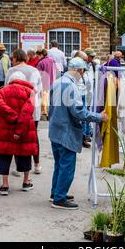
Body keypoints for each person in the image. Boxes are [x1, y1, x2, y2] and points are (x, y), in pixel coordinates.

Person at [49, 58, 109, 209]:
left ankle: (56, 193)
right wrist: (98, 117)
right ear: (79, 70)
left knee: (60, 164)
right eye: (82, 72)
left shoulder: (58, 81)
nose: (82, 75)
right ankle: (59, 198)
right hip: (66, 131)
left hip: (55, 129)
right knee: (67, 165)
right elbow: (78, 112)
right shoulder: (70, 86)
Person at [0, 71, 37, 195]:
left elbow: (0, 105)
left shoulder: (2, 91)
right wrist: (19, 126)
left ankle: (5, 185)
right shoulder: (30, 92)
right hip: (24, 128)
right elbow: (26, 112)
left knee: (3, 153)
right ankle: (26, 182)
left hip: (4, 127)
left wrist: (12, 116)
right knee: (25, 152)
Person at [5, 50, 43, 175]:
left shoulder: (11, 71)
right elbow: (40, 90)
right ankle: (37, 165)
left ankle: (18, 167)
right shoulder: (34, 71)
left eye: (12, 58)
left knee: (16, 136)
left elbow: (6, 90)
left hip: (15, 109)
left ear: (16, 58)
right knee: (33, 137)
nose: (11, 61)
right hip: (32, 109)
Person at [36, 49, 57, 118]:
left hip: (44, 83)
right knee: (51, 99)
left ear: (41, 55)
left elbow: (37, 75)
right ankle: (51, 113)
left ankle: (44, 114)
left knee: (44, 99)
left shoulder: (41, 63)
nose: (37, 57)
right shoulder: (52, 60)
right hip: (53, 81)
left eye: (38, 55)